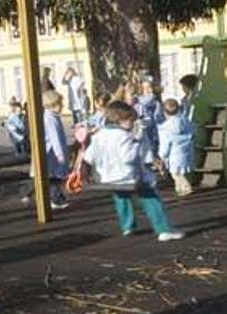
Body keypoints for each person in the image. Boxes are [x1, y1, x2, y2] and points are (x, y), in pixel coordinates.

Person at [82, 100, 186, 242]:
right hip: (128, 176)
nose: (132, 124)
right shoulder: (124, 136)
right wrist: (137, 142)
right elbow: (128, 158)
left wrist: (88, 172)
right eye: (131, 121)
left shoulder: (98, 135)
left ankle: (128, 226)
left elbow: (88, 157)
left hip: (108, 177)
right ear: (121, 120)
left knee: (122, 198)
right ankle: (164, 229)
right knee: (151, 198)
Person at [20, 90, 70, 210]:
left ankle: (56, 198)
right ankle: (55, 199)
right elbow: (54, 137)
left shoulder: (51, 117)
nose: (62, 106)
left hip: (50, 153)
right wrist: (60, 153)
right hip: (50, 152)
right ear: (50, 105)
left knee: (47, 176)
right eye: (59, 104)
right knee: (48, 176)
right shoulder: (50, 119)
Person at [158, 99, 195, 197]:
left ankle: (186, 187)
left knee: (176, 174)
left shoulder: (165, 128)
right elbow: (194, 130)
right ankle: (179, 188)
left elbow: (165, 144)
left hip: (174, 154)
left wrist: (162, 155)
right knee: (179, 172)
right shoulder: (185, 121)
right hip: (186, 151)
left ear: (164, 112)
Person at [135, 80, 164, 157]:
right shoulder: (139, 102)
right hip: (144, 133)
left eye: (149, 87)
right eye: (145, 88)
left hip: (155, 133)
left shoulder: (156, 103)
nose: (148, 90)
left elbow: (160, 119)